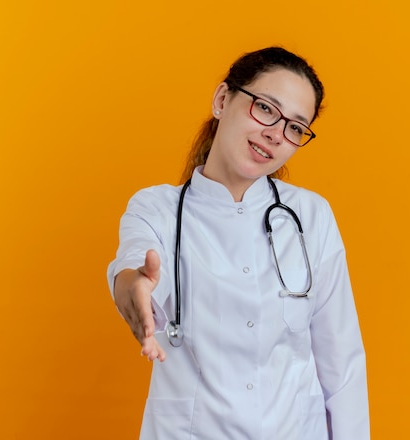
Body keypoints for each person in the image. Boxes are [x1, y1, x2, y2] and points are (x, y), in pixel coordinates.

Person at [108, 47, 369, 439]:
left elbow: (342, 363)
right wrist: (132, 284)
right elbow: (134, 265)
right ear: (222, 100)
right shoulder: (156, 208)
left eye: (295, 127)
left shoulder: (311, 217)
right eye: (265, 108)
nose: (276, 134)